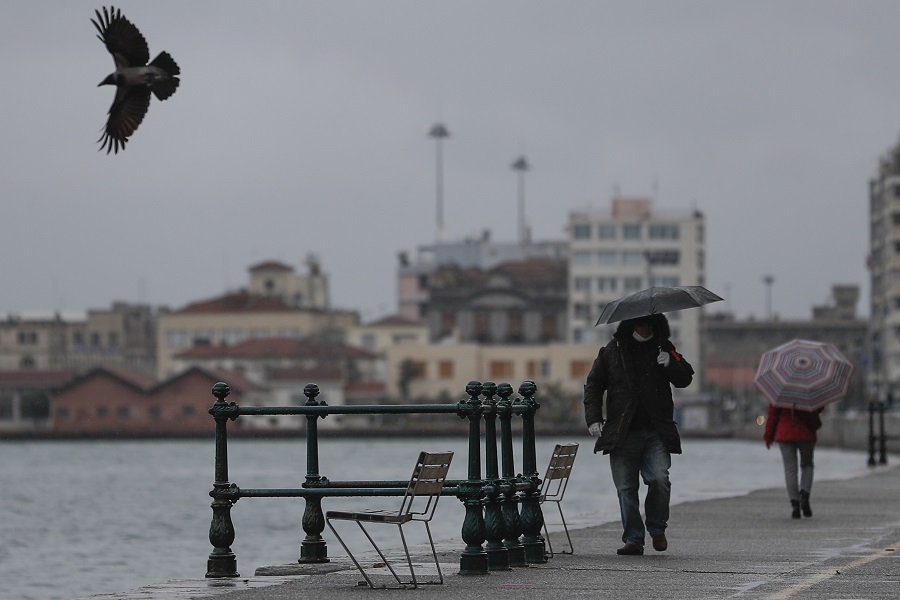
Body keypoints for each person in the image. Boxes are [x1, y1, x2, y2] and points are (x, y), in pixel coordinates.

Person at [583, 313, 694, 556]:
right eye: (639, 323)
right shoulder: (612, 350)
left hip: (657, 431)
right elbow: (593, 385)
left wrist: (671, 363)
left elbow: (685, 378)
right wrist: (593, 419)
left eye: (649, 323)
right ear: (631, 324)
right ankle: (633, 539)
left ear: (657, 325)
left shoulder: (665, 347)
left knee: (659, 480)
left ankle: (657, 528)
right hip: (621, 433)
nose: (644, 327)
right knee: (625, 488)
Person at [763, 404, 823, 518]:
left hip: (785, 432)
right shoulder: (809, 388)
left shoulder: (782, 390)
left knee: (790, 469)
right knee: (807, 465)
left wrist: (768, 435)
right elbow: (819, 407)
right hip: (806, 432)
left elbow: (773, 414)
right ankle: (805, 496)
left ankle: (795, 504)